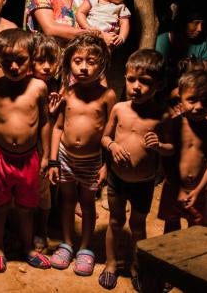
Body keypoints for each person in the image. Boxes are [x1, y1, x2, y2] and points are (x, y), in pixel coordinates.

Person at [99, 49, 174, 291]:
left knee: (139, 225)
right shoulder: (119, 108)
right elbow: (105, 137)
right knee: (115, 221)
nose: (136, 87)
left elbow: (171, 148)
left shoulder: (162, 115)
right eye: (131, 80)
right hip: (117, 178)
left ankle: (136, 266)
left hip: (144, 180)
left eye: (145, 82)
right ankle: (111, 264)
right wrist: (112, 147)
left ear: (160, 85)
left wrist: (160, 145)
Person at [48, 34, 116, 276]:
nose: (84, 67)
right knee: (66, 201)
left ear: (102, 64)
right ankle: (67, 244)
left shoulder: (107, 96)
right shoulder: (67, 91)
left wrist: (106, 166)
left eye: (91, 61)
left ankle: (85, 248)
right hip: (65, 157)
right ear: (69, 64)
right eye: (78, 61)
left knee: (88, 204)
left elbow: (111, 134)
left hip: (91, 161)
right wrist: (53, 160)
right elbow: (57, 127)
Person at [0, 28, 51, 272]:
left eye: (20, 60)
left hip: (29, 159)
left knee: (27, 208)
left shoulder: (38, 87)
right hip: (1, 157)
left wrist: (46, 155)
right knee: (0, 206)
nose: (13, 67)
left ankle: (28, 248)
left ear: (33, 57)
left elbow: (44, 121)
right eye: (6, 61)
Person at [158, 69, 207, 233]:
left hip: (198, 191)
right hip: (173, 188)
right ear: (180, 99)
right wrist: (178, 189)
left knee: (196, 230)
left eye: (205, 101)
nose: (199, 106)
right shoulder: (174, 125)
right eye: (192, 100)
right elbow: (167, 160)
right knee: (171, 228)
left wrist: (198, 190)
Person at [31, 33, 62, 253]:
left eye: (52, 61)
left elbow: (56, 125)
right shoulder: (23, 84)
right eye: (40, 61)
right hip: (24, 147)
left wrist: (52, 113)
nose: (47, 67)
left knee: (45, 192)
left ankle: (42, 230)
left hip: (46, 148)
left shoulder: (58, 88)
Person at [155, 1, 207, 94]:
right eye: (196, 23)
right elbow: (159, 78)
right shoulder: (162, 41)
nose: (200, 28)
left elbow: (205, 76)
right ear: (182, 23)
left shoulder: (203, 42)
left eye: (201, 23)